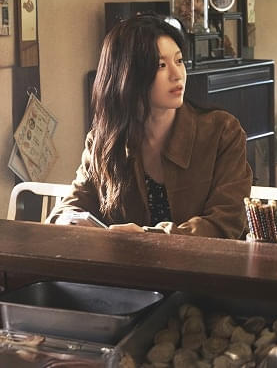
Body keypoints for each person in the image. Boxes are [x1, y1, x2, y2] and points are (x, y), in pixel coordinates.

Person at [48, 15, 252, 238]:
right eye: (161, 65)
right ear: (127, 74)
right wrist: (68, 219)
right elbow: (70, 206)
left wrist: (148, 236)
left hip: (203, 260)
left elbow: (226, 221)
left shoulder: (222, 131)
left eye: (179, 61)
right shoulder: (104, 140)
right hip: (126, 261)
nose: (177, 75)